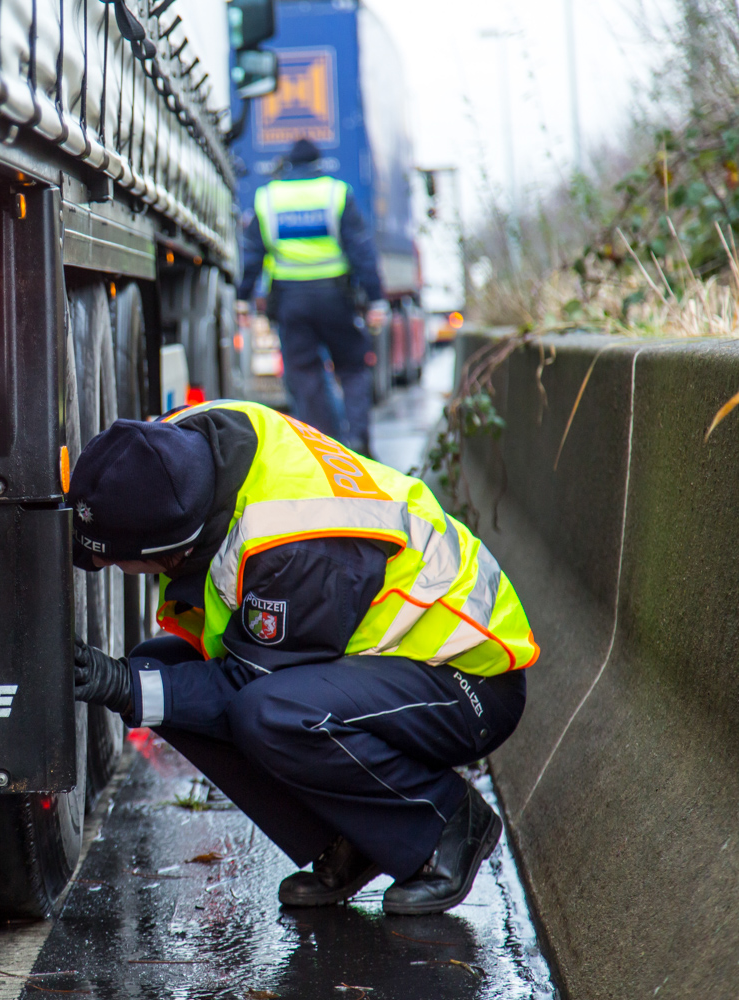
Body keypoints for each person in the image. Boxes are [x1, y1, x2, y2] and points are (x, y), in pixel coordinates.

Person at [68, 401, 537, 915]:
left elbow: (239, 688)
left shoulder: (291, 548)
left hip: (467, 677)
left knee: (266, 712)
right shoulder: (183, 446)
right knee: (161, 667)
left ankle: (444, 821)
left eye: (112, 559)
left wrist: (122, 686)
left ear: (175, 551)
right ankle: (355, 835)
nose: (102, 565)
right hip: (385, 662)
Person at [238, 138, 388, 455]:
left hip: (291, 301)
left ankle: (325, 451)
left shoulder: (268, 197)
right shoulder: (335, 193)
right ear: (318, 163)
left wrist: (243, 299)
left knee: (304, 375)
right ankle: (359, 441)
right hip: (336, 297)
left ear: (289, 163)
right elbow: (361, 250)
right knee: (352, 368)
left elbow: (252, 254)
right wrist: (376, 299)